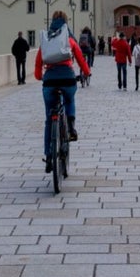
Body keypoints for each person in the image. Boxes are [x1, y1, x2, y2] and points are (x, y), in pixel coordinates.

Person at [34, 10, 90, 169]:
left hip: (50, 81)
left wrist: (40, 77)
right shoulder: (68, 39)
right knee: (69, 98)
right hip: (67, 78)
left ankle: (49, 155)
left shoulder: (46, 41)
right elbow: (79, 56)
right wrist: (87, 72)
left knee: (48, 119)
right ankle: (71, 126)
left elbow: (38, 64)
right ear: (66, 23)